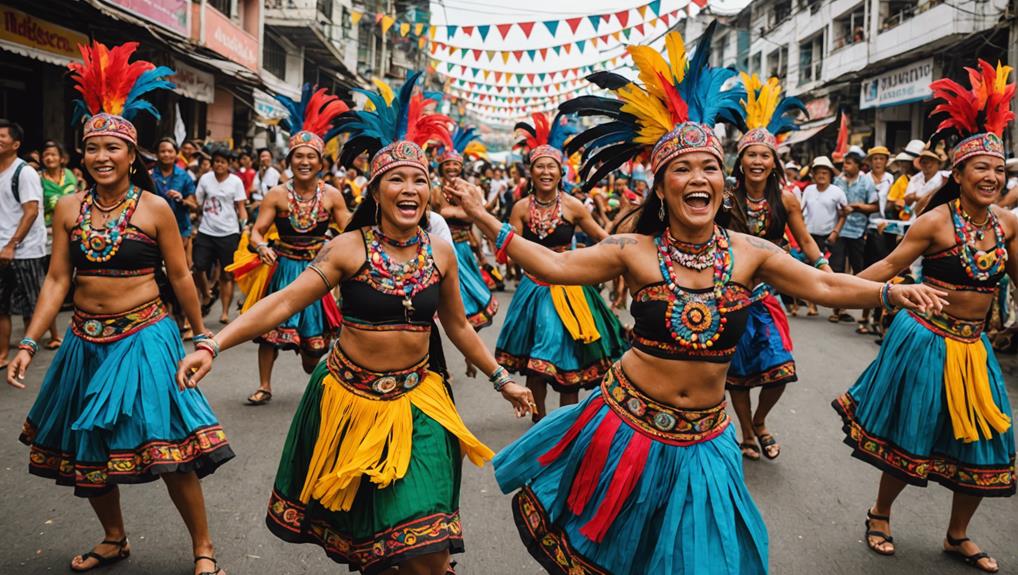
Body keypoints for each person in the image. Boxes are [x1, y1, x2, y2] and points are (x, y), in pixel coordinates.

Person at [450, 24, 946, 574]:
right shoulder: (633, 250)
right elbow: (555, 264)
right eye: (681, 169)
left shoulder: (751, 251)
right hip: (628, 427)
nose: (697, 177)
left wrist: (889, 292)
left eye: (709, 167)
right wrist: (481, 215)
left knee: (705, 560)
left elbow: (824, 285)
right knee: (624, 555)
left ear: (723, 183)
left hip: (707, 442)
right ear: (661, 189)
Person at [177, 72, 535, 575]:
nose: (409, 188)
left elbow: (456, 327)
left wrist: (502, 381)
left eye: (419, 180)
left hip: (421, 402)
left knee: (428, 546)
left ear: (430, 193)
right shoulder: (349, 247)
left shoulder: (441, 251)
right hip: (349, 401)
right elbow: (282, 302)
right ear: (376, 190)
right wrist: (212, 344)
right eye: (397, 179)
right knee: (377, 546)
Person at [6, 42, 231, 575]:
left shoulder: (155, 209)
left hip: (147, 335)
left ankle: (203, 547)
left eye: (113, 147)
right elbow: (58, 279)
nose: (102, 156)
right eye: (92, 147)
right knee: (90, 446)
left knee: (169, 446)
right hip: (85, 340)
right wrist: (29, 341)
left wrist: (203, 337)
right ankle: (113, 538)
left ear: (133, 156)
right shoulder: (67, 208)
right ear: (82, 154)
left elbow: (180, 275)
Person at [833, 60, 1017, 573]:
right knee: (909, 434)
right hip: (926, 340)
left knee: (984, 439)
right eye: (981, 168)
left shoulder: (1007, 225)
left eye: (999, 170)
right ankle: (880, 512)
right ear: (957, 175)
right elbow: (889, 267)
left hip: (974, 348)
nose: (992, 177)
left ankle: (957, 534)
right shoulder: (934, 221)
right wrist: (835, 290)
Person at [494, 112, 628, 421]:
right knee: (536, 366)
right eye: (539, 166)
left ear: (560, 173)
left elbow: (603, 239)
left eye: (550, 167)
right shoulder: (521, 208)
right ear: (531, 172)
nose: (544, 172)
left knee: (572, 363)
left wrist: (597, 262)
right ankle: (540, 424)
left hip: (571, 287)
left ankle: (565, 428)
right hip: (534, 290)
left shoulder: (573, 206)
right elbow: (509, 247)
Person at [725, 73, 830, 461]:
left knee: (780, 365)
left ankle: (761, 420)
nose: (757, 161)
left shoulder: (786, 200)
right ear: (741, 160)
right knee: (736, 371)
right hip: (730, 292)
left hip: (768, 294)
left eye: (764, 155)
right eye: (750, 154)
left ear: (774, 162)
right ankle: (747, 430)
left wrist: (823, 268)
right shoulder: (725, 196)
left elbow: (804, 241)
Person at [244, 85, 352, 405]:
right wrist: (261, 245)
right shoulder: (276, 194)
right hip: (283, 268)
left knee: (314, 350)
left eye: (311, 157)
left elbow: (350, 230)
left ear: (320, 162)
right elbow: (256, 231)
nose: (304, 161)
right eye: (299, 157)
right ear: (290, 160)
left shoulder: (332, 195)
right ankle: (264, 385)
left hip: (319, 271)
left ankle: (314, 375)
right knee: (269, 331)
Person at [434, 125, 499, 355]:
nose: (451, 168)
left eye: (455, 164)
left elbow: (477, 216)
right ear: (441, 167)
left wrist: (481, 254)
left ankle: (470, 354)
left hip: (463, 249)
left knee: (472, 308)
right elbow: (437, 214)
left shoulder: (470, 190)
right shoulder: (433, 190)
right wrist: (468, 211)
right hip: (439, 250)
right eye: (448, 164)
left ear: (461, 167)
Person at [0, 119, 48, 368]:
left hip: (25, 249)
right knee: (1, 305)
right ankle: (2, 354)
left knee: (34, 303)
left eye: (2, 137)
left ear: (15, 144)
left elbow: (30, 211)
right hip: (2, 250)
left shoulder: (24, 172)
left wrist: (12, 244)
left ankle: (29, 350)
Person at [193, 148, 247, 324]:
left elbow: (240, 207)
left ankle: (224, 312)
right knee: (199, 267)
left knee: (227, 275)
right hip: (206, 230)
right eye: (216, 161)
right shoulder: (205, 179)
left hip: (229, 232)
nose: (219, 165)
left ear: (228, 164)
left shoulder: (236, 182)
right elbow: (198, 202)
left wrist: (245, 226)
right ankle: (207, 294)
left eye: (223, 162)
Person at [832, 146, 879, 325]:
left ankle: (853, 303)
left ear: (858, 166)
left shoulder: (866, 182)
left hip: (858, 231)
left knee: (856, 269)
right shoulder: (838, 181)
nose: (845, 166)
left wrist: (857, 207)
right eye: (844, 162)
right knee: (837, 268)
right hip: (839, 229)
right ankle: (838, 308)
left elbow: (874, 206)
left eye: (849, 163)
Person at [39, 139, 78, 348]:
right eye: (46, 155)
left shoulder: (71, 176)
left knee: (76, 280)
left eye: (54, 154)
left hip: (75, 232)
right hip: (47, 235)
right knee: (52, 279)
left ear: (61, 158)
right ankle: (53, 333)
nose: (50, 158)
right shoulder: (38, 180)